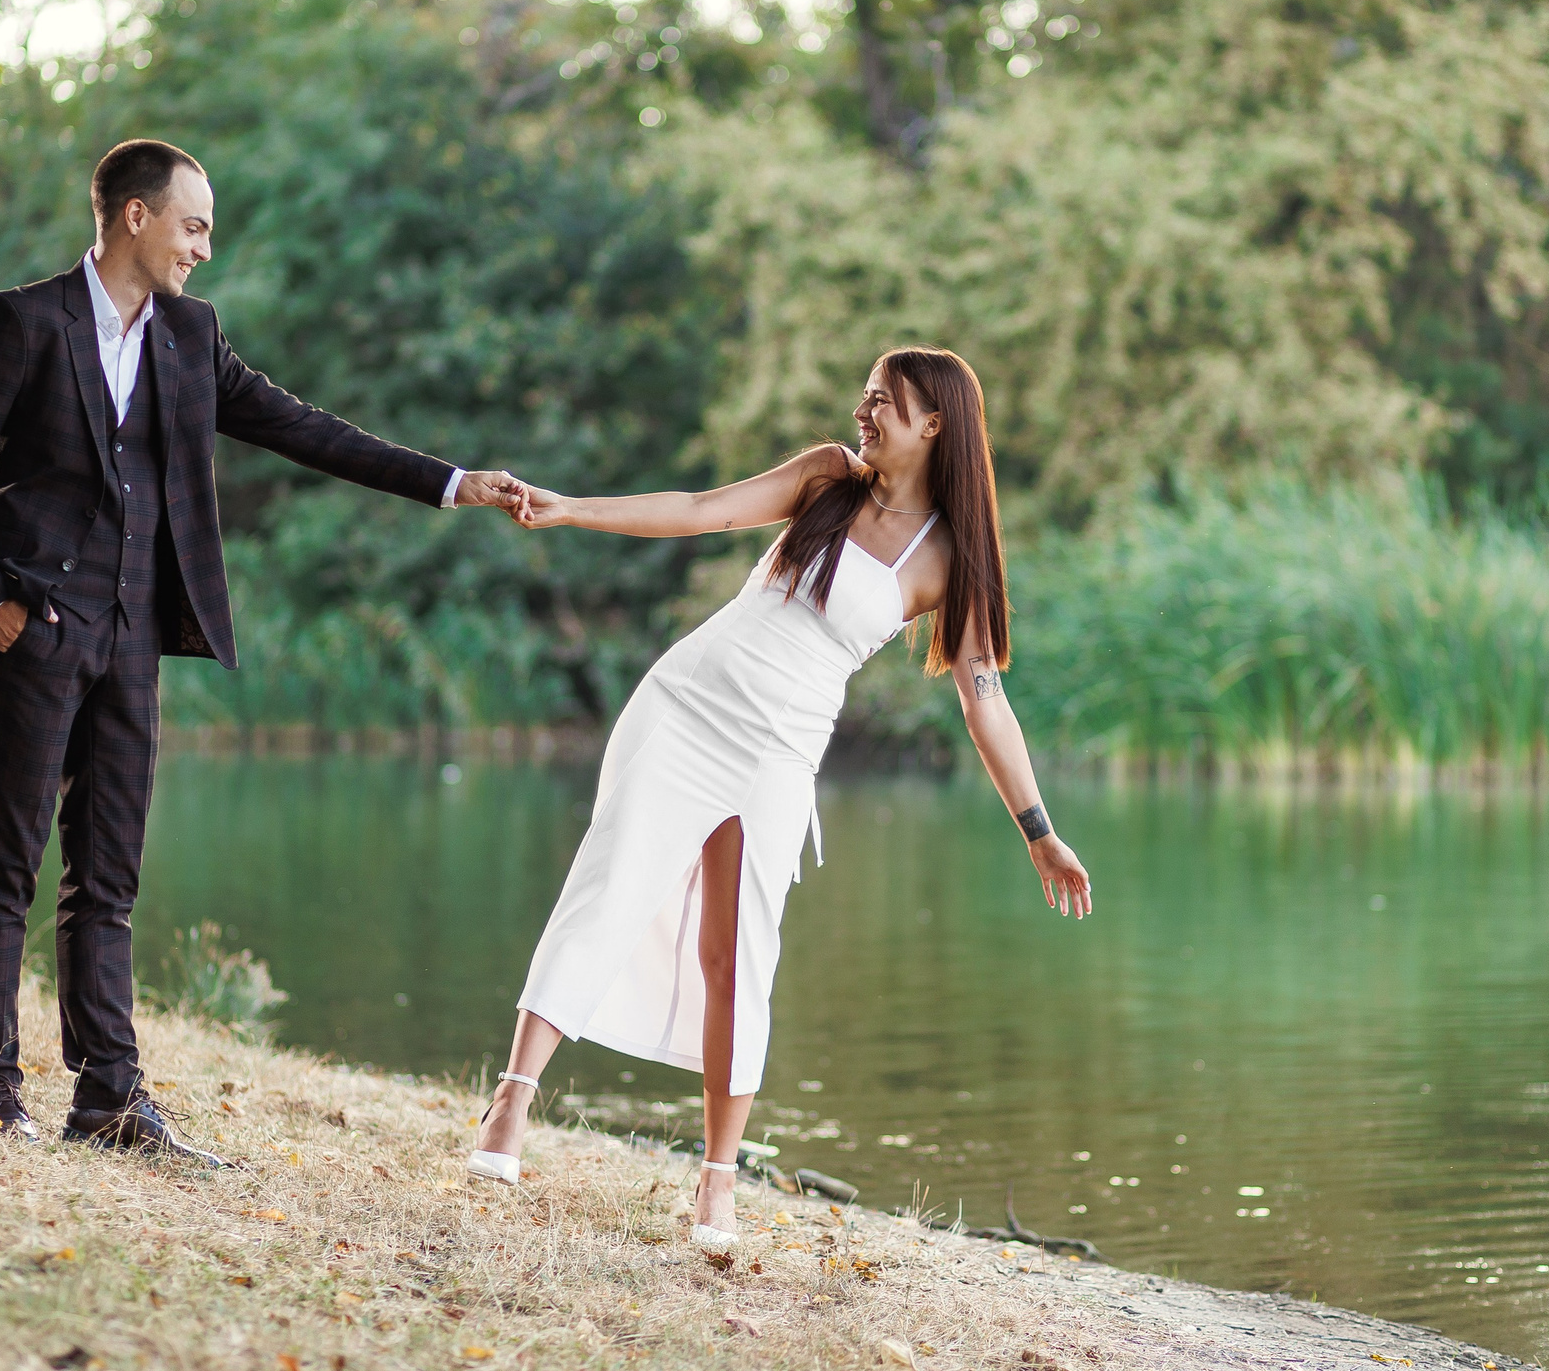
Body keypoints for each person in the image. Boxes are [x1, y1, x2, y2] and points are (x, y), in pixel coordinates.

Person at [0, 138, 526, 1161]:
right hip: (36, 631)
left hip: (136, 636)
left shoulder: (193, 341)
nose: (205, 248)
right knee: (8, 862)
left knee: (106, 878)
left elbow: (303, 429)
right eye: (193, 225)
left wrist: (453, 482)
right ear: (136, 218)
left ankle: (109, 1098)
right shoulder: (22, 322)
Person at [464, 347, 1091, 1244]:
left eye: (885, 402)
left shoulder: (951, 560)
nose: (864, 411)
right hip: (684, 709)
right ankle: (510, 1108)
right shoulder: (827, 476)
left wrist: (1039, 831)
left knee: (736, 958)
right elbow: (700, 509)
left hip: (777, 755)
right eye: (866, 396)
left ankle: (717, 1182)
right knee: (607, 891)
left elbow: (985, 701)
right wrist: (572, 510)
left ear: (935, 423)